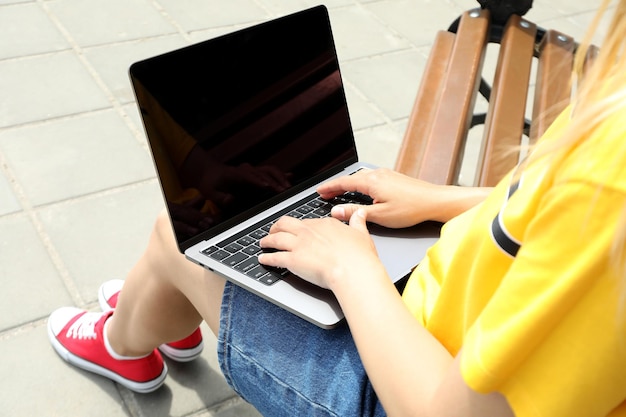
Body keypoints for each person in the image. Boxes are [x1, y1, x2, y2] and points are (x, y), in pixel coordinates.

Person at [47, 0, 626, 415]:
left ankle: (126, 345)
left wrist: (352, 272)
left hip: (387, 388)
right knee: (221, 241)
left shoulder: (610, 192)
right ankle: (163, 311)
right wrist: (446, 200)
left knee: (181, 242)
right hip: (447, 315)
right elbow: (551, 212)